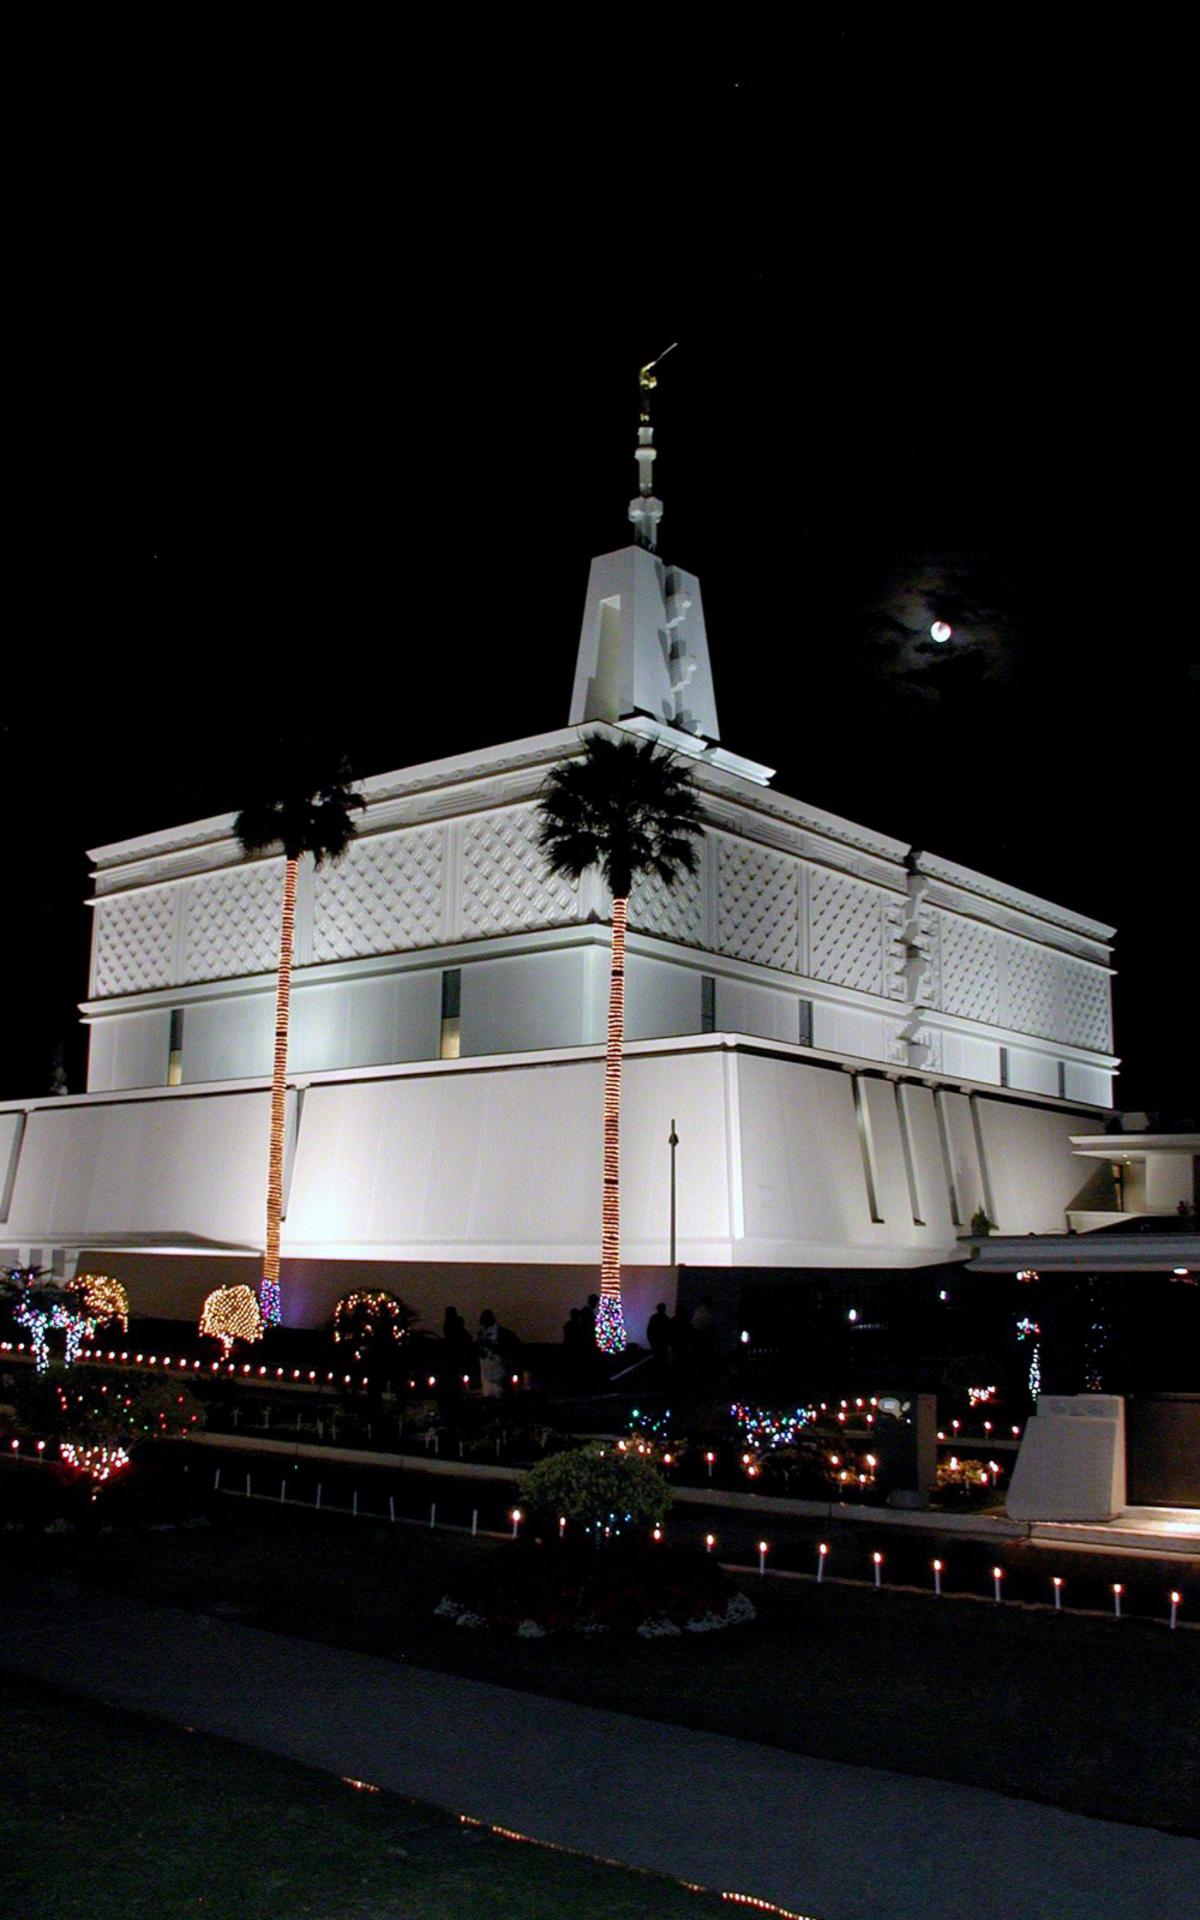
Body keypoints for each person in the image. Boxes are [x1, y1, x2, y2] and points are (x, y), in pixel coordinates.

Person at [477, 1308, 507, 1398]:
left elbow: (504, 1350)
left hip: (498, 1368)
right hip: (486, 1368)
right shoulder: (481, 1333)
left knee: (499, 1393)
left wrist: (492, 1346)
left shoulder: (502, 1333)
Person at [646, 1302, 672, 1382]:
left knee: (656, 1359)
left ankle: (656, 1375)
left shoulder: (654, 1318)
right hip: (662, 1343)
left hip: (656, 1343)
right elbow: (669, 1332)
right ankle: (663, 1377)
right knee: (663, 1360)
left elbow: (649, 1331)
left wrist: (651, 1341)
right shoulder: (666, 1319)